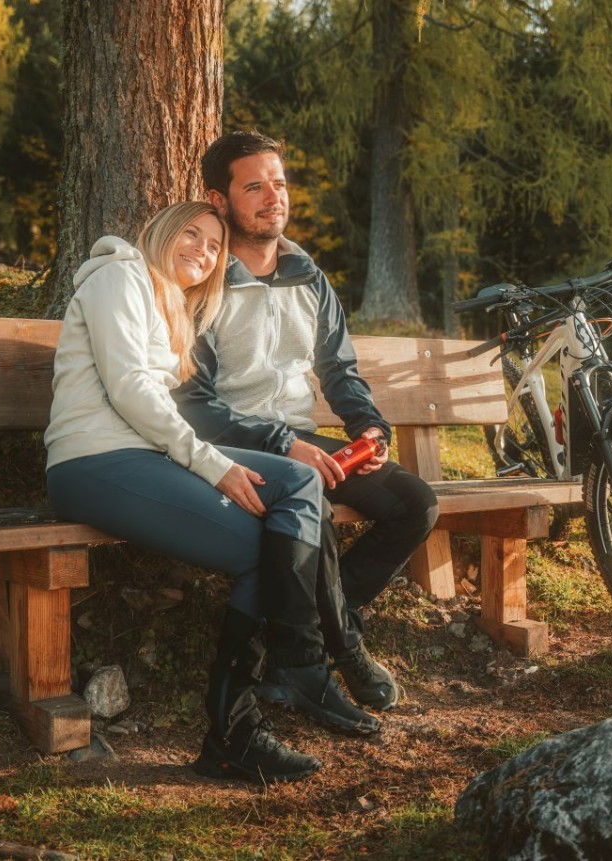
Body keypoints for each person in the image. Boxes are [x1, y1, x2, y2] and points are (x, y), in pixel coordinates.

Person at [45, 201, 378, 786]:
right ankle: (268, 698)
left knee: (294, 490)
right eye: (192, 234)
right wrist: (211, 464)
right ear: (160, 231)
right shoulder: (118, 276)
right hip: (93, 462)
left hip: (144, 458)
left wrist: (208, 460)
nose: (202, 250)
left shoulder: (170, 304)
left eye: (214, 246)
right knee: (270, 542)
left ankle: (277, 686)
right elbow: (129, 389)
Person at [174, 131, 440, 712]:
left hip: (299, 440)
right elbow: (194, 406)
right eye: (254, 187)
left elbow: (339, 369)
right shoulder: (201, 284)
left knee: (415, 503)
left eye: (279, 183)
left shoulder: (308, 275)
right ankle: (342, 650)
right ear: (219, 200)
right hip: (235, 445)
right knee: (309, 498)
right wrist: (281, 444)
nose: (274, 197)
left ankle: (316, 630)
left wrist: (369, 428)